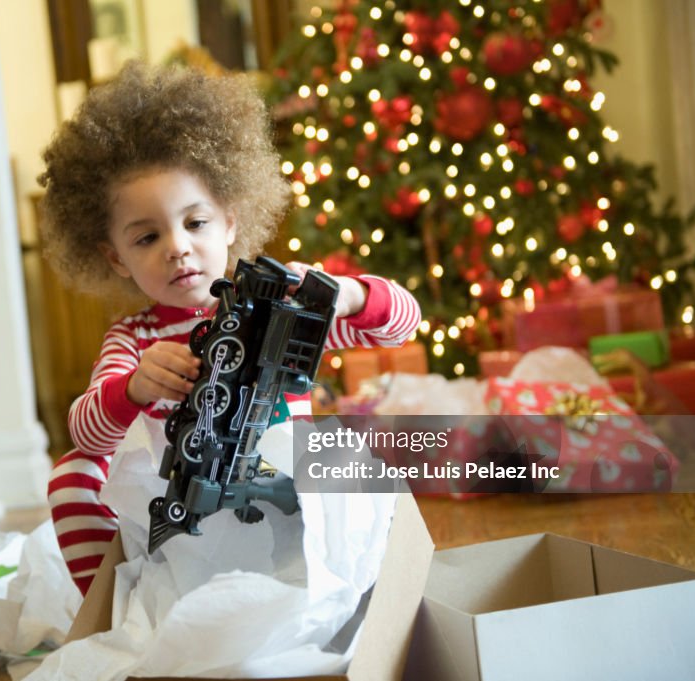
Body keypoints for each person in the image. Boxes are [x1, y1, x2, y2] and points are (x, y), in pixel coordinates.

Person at [38, 61, 422, 595]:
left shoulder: (279, 308)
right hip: (185, 504)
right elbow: (86, 433)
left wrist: (349, 297)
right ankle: (113, 609)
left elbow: (401, 325)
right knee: (70, 478)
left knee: (359, 460)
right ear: (116, 257)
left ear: (231, 221)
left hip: (287, 493)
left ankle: (377, 595)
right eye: (146, 238)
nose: (177, 246)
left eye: (195, 223)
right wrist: (133, 388)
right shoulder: (134, 339)